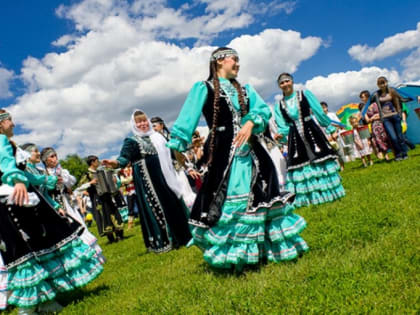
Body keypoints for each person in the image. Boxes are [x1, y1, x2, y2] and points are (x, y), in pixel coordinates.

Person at [167, 47, 307, 271]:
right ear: (220, 60)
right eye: (235, 60)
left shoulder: (245, 89)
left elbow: (262, 110)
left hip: (253, 152)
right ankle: (236, 256)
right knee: (231, 199)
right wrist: (177, 145)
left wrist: (250, 122)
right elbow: (187, 119)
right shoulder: (203, 88)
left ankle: (264, 250)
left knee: (262, 196)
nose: (238, 65)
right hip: (224, 155)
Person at [0, 109, 103, 314]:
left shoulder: (11, 144)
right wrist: (18, 181)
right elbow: (8, 166)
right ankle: (29, 307)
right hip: (14, 202)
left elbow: (26, 174)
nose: (13, 123)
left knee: (36, 250)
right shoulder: (2, 141)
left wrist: (44, 181)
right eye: (9, 119)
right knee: (26, 252)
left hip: (19, 201)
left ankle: (44, 302)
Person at [103, 110, 192, 253]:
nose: (143, 124)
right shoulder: (132, 141)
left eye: (144, 120)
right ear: (134, 124)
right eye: (139, 122)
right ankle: (165, 240)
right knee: (157, 207)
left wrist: (186, 167)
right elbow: (124, 158)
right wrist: (114, 163)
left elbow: (172, 156)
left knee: (172, 203)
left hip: (165, 177)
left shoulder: (159, 137)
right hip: (147, 180)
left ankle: (183, 236)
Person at [274, 73, 345, 208]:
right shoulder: (279, 105)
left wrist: (329, 127)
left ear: (292, 82)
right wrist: (281, 136)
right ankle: (309, 197)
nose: (285, 84)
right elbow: (282, 125)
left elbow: (319, 112)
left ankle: (329, 192)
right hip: (295, 136)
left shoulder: (305, 95)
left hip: (311, 131)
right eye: (282, 83)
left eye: (287, 81)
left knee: (320, 158)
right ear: (279, 86)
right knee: (301, 163)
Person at [79, 155, 124, 243]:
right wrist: (90, 183)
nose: (98, 162)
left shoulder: (102, 171)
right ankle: (111, 238)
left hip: (108, 196)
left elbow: (113, 173)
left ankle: (120, 235)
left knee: (115, 214)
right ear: (92, 162)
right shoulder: (87, 174)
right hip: (97, 199)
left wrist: (113, 179)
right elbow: (80, 188)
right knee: (104, 217)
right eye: (97, 160)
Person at [371, 76, 408, 161]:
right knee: (393, 137)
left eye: (383, 82)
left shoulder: (392, 91)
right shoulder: (376, 94)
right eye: (380, 83)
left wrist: (415, 98)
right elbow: (369, 101)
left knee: (400, 136)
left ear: (386, 82)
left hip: (395, 115)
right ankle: (398, 155)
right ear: (378, 85)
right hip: (385, 118)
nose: (382, 85)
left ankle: (404, 153)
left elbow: (402, 99)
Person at [361, 90, 391, 161]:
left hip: (382, 123)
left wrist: (375, 117)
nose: (362, 99)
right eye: (361, 98)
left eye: (363, 97)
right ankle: (386, 156)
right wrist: (373, 117)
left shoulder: (376, 104)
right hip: (374, 126)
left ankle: (396, 153)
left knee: (388, 138)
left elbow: (382, 113)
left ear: (367, 97)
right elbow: (367, 120)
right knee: (379, 141)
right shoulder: (364, 109)